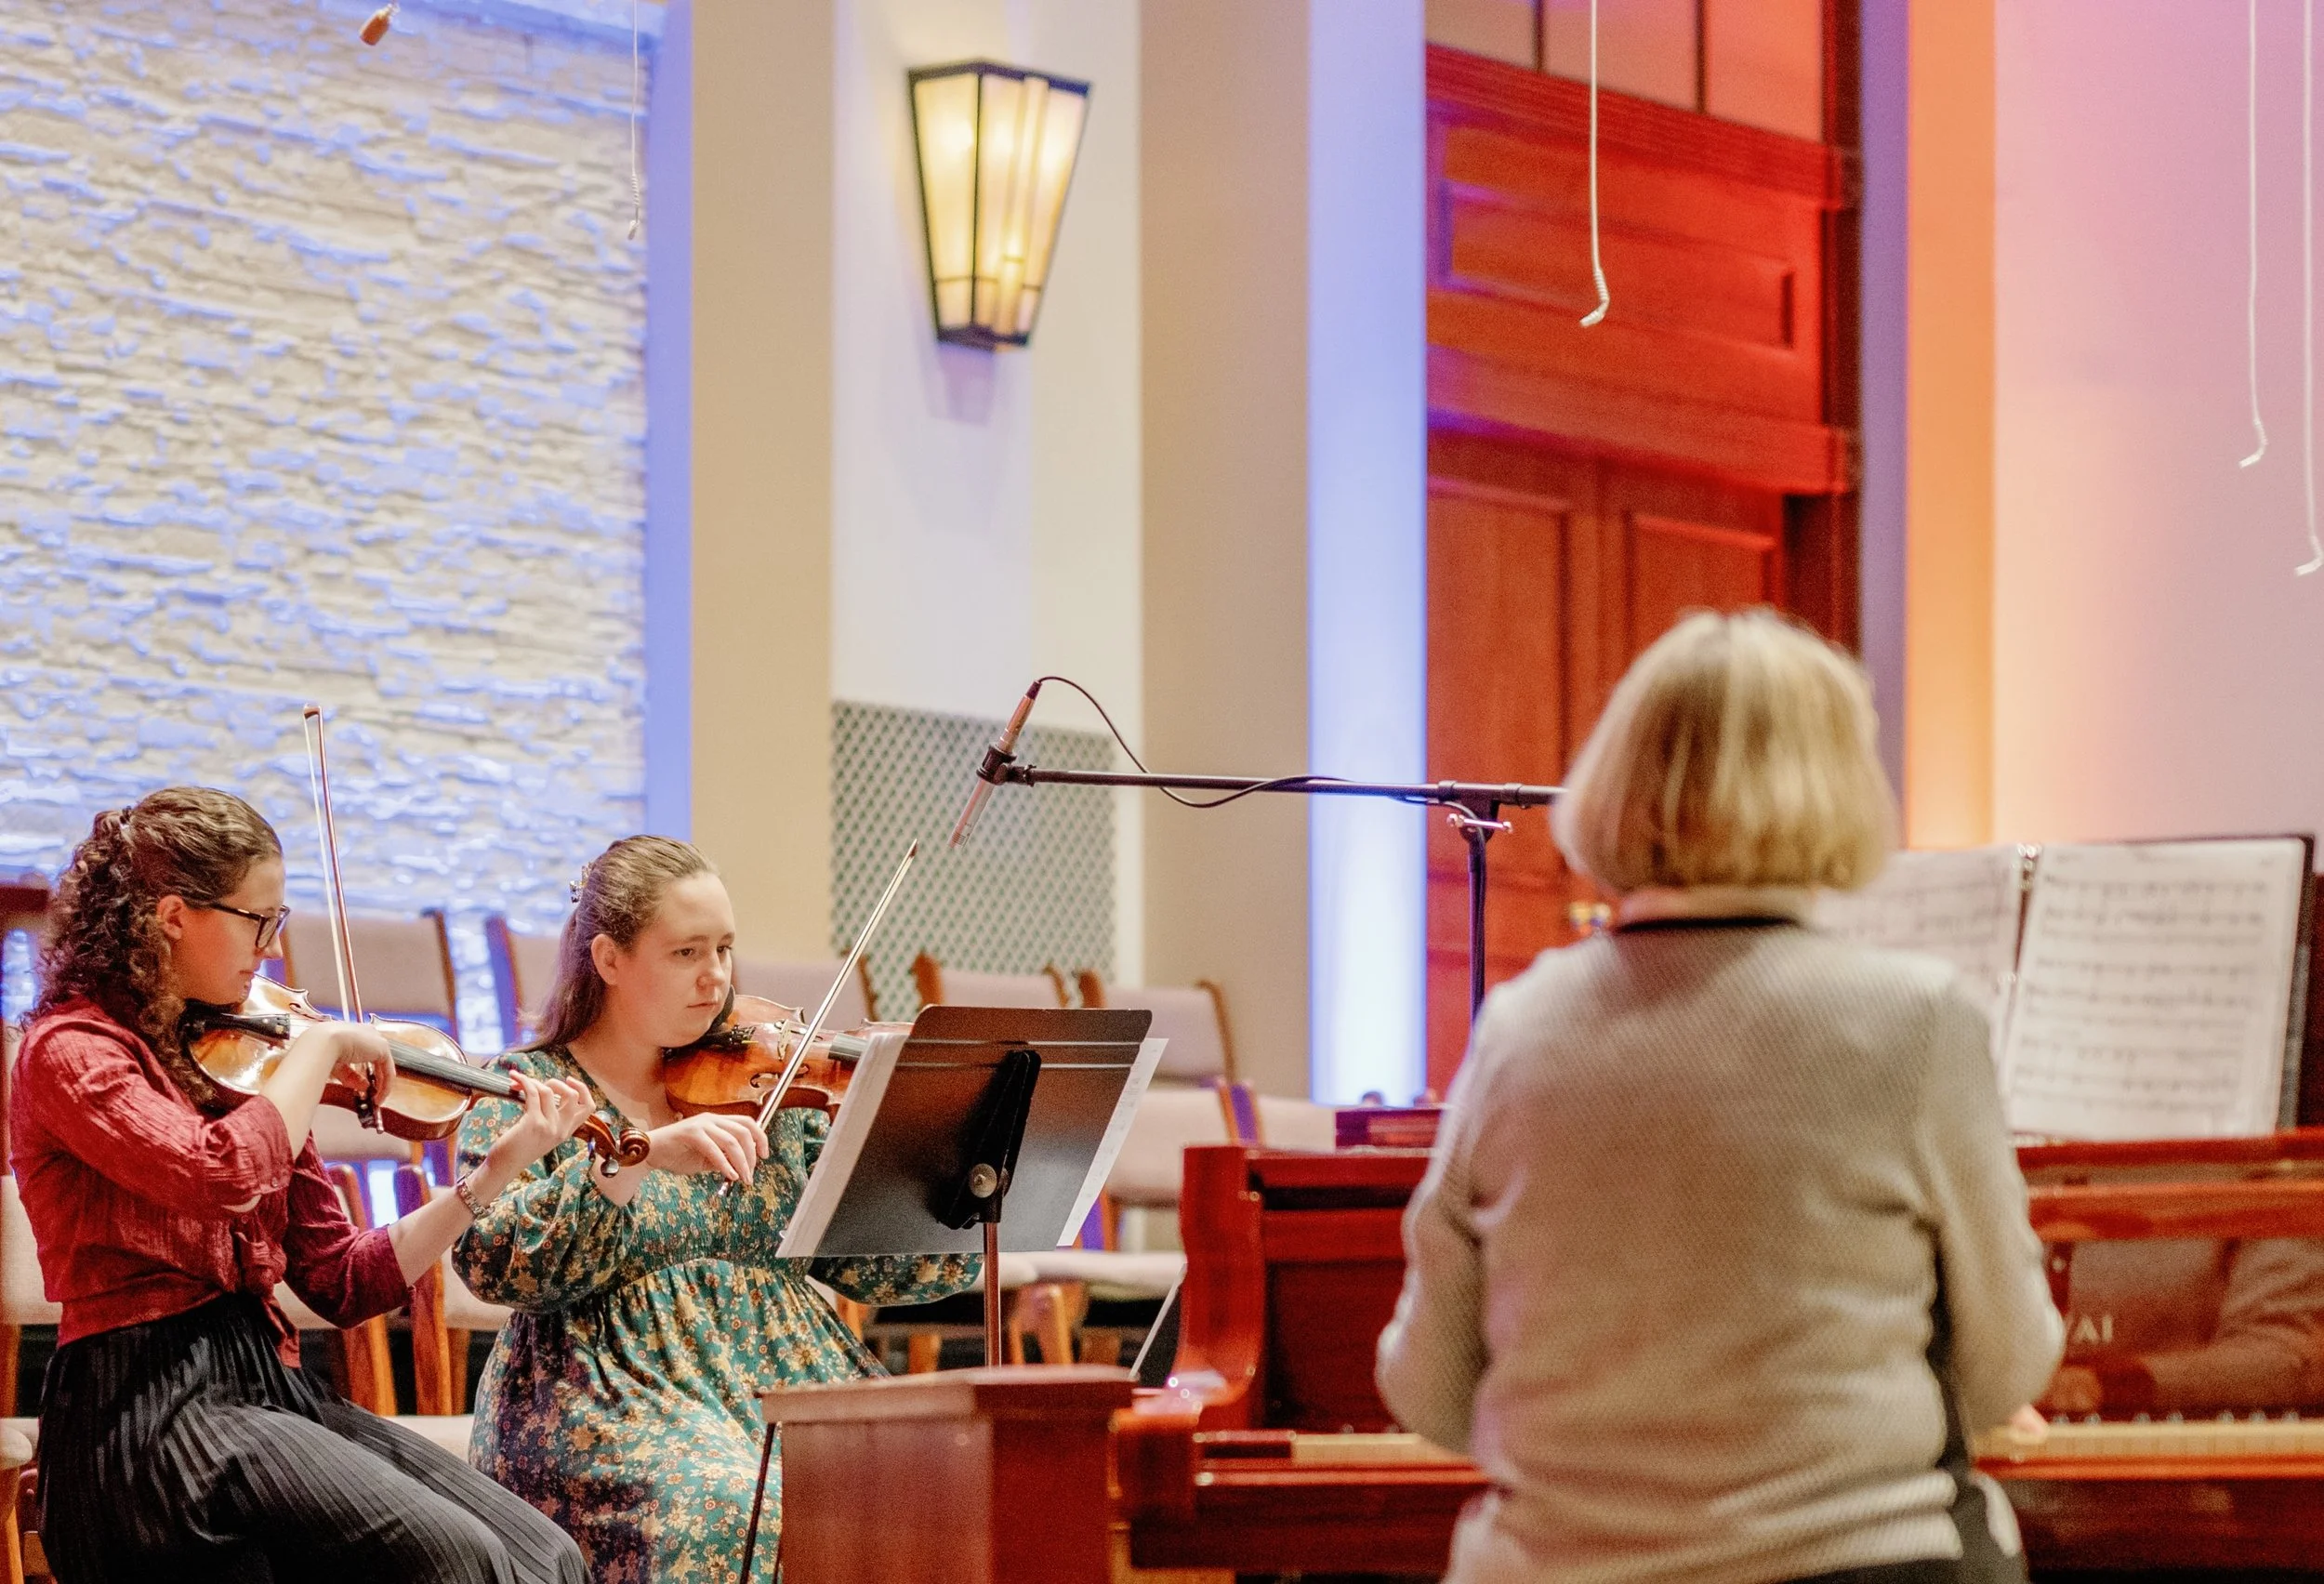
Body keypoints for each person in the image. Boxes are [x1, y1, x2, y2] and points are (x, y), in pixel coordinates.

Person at [1377, 609, 2065, 1584]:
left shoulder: (1517, 1029)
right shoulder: (1916, 1022)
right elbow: (2007, 1368)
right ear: (1837, 791)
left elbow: (1430, 1392)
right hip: (1849, 1565)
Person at [14, 788, 596, 1584]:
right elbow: (222, 1173)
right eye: (259, 921)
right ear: (174, 916)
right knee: (459, 1561)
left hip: (263, 1385)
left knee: (547, 1556)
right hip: (140, 1415)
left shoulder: (240, 1062)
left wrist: (492, 1174)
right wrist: (316, 1053)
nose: (272, 948)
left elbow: (342, 1281)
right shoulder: (71, 1053)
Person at [451, 836, 978, 1582]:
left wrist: (939, 1167)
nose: (716, 976)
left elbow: (879, 1271)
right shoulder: (534, 1089)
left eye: (724, 949)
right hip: (604, 1396)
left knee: (943, 1481)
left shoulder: (767, 1087)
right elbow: (492, 1260)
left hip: (783, 1380)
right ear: (608, 959)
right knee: (727, 1510)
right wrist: (636, 1155)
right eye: (686, 953)